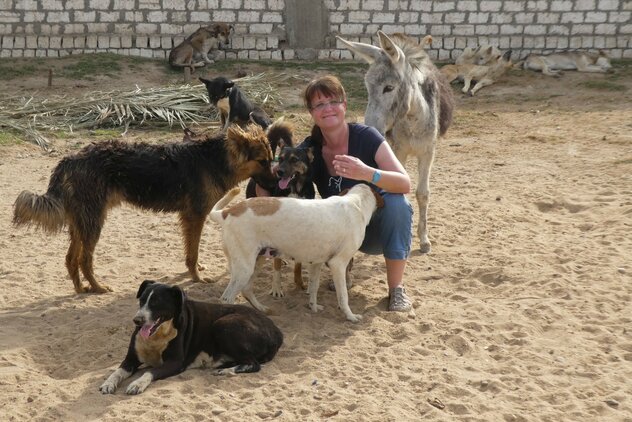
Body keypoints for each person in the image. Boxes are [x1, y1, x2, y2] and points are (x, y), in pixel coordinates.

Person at [257, 75, 414, 312]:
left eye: (333, 102)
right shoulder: (310, 150)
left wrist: (367, 172)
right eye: (319, 104)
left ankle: (396, 290)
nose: (327, 109)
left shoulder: (367, 137)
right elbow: (271, 179)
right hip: (339, 234)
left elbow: (405, 183)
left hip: (374, 229)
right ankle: (344, 264)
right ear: (311, 112)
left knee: (398, 205)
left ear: (345, 105)